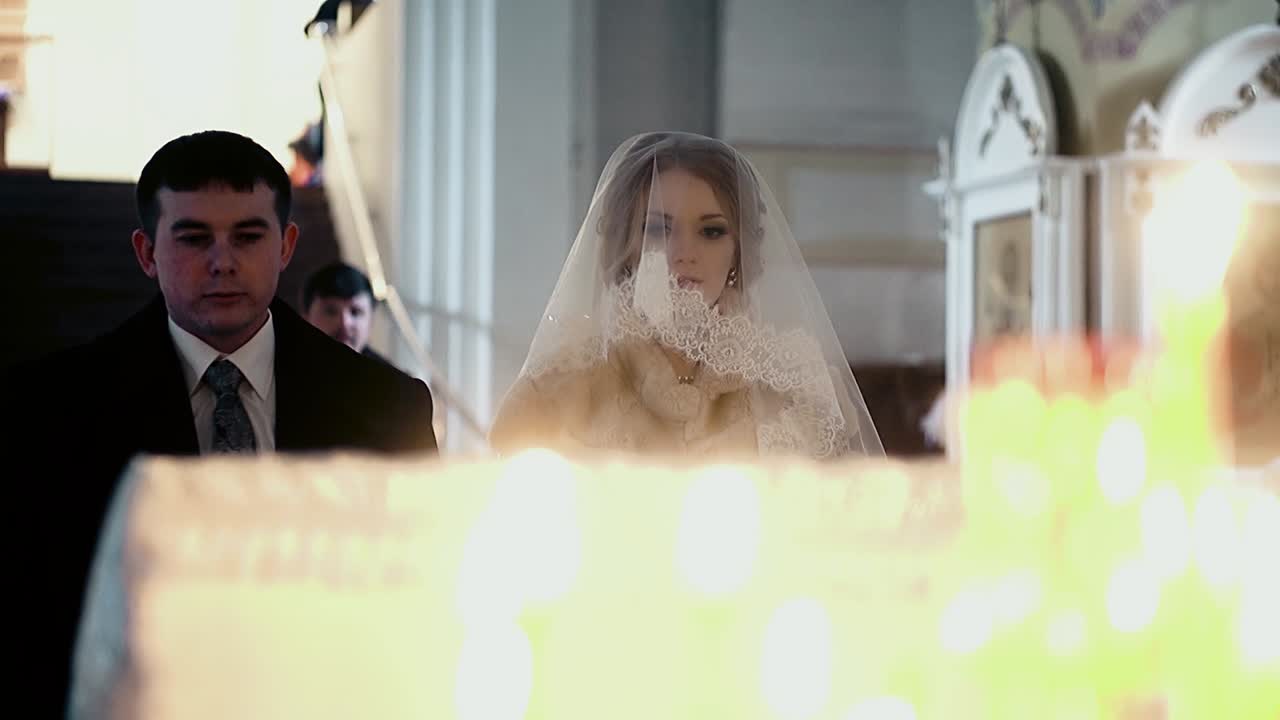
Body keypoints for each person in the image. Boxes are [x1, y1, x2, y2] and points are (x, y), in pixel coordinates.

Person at [3, 130, 436, 714]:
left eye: (248, 236)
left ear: (285, 246)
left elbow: (422, 603)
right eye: (194, 238)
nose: (223, 262)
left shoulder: (387, 405)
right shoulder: (51, 408)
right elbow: (35, 618)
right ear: (146, 253)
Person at [489, 132, 883, 459]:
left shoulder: (792, 390)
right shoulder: (566, 387)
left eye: (711, 231)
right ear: (627, 243)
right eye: (659, 230)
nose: (684, 253)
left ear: (738, 249)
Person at [302, 261, 394, 366]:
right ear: (306, 319)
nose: (345, 323)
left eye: (355, 312)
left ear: (371, 322)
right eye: (330, 311)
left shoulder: (392, 380)